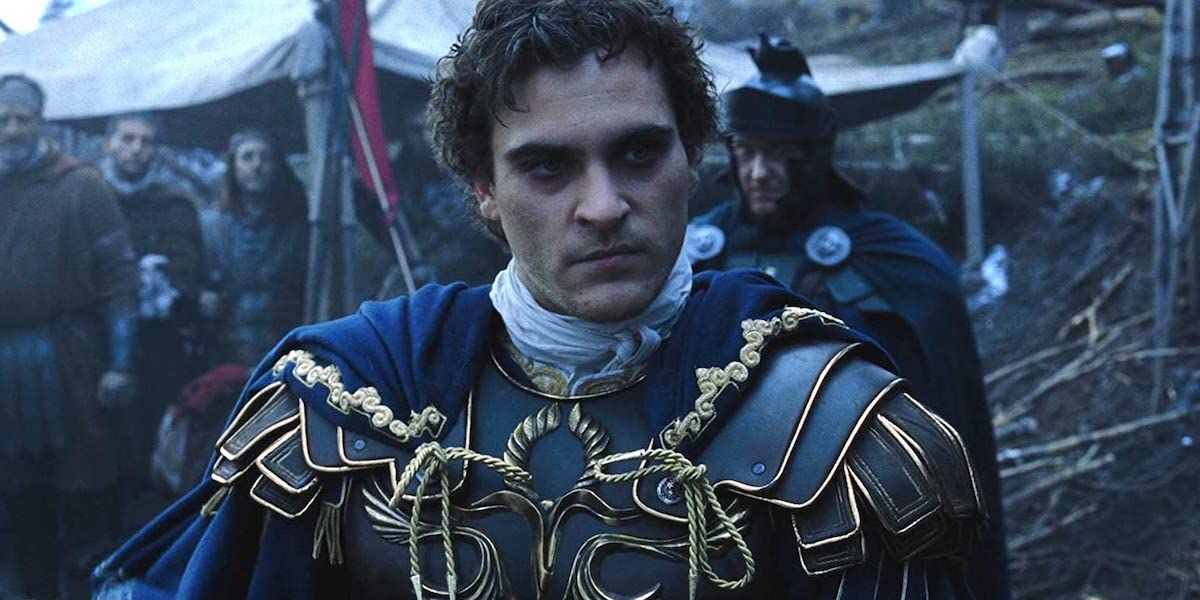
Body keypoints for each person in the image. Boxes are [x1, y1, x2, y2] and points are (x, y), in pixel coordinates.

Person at [95, 3, 986, 598]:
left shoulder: (829, 422)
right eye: (548, 167)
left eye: (638, 153)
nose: (602, 206)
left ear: (691, 158)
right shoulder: (347, 402)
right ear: (484, 189)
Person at [689, 34, 1010, 599]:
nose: (760, 172)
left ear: (813, 158)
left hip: (856, 511)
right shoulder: (696, 252)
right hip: (716, 511)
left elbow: (934, 403)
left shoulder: (890, 257)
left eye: (778, 154)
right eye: (747, 152)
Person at [0, 74, 139, 599]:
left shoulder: (81, 186)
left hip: (72, 362)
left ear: (42, 122)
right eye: (2, 120)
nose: (12, 130)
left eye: (22, 119)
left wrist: (121, 363)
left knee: (83, 495)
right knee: (20, 503)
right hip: (4, 365)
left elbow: (120, 279)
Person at [100, 112, 207, 492]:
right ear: (108, 144)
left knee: (156, 434)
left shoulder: (174, 205)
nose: (135, 149)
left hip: (160, 338)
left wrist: (162, 276)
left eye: (146, 142)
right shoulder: (89, 197)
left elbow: (191, 268)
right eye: (127, 139)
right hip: (97, 335)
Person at [199, 128, 309, 366]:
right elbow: (195, 281)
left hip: (288, 348)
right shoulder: (210, 225)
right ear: (234, 166)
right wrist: (202, 297)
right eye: (247, 157)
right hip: (227, 350)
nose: (257, 165)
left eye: (265, 157)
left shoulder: (301, 226)